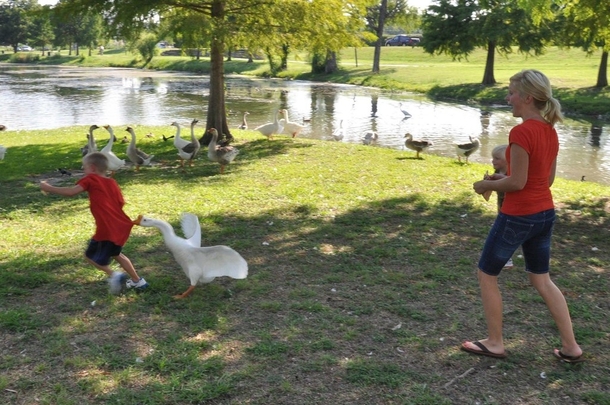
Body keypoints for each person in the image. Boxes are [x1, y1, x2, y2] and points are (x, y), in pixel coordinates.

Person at [464, 69, 583, 363]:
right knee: (541, 280)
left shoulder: (521, 132)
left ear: (527, 98)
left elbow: (517, 184)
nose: (508, 98)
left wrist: (483, 185)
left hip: (518, 216)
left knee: (486, 274)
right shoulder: (550, 131)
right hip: (544, 214)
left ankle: (494, 343)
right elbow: (544, 180)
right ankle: (571, 347)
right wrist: (498, 180)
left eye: (512, 92)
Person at [40, 152, 148, 294]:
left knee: (89, 256)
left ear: (91, 168)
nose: (83, 170)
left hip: (106, 229)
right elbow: (121, 202)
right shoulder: (112, 182)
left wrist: (48, 188)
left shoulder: (91, 179)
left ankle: (114, 274)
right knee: (117, 254)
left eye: (84, 167)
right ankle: (138, 281)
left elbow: (72, 192)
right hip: (121, 225)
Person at [489, 144, 513, 268]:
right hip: (501, 205)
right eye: (493, 158)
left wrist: (499, 179)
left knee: (506, 231)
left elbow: (511, 184)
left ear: (507, 160)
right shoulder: (498, 171)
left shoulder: (512, 172)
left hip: (512, 207)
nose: (493, 161)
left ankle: (506, 259)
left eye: (497, 158)